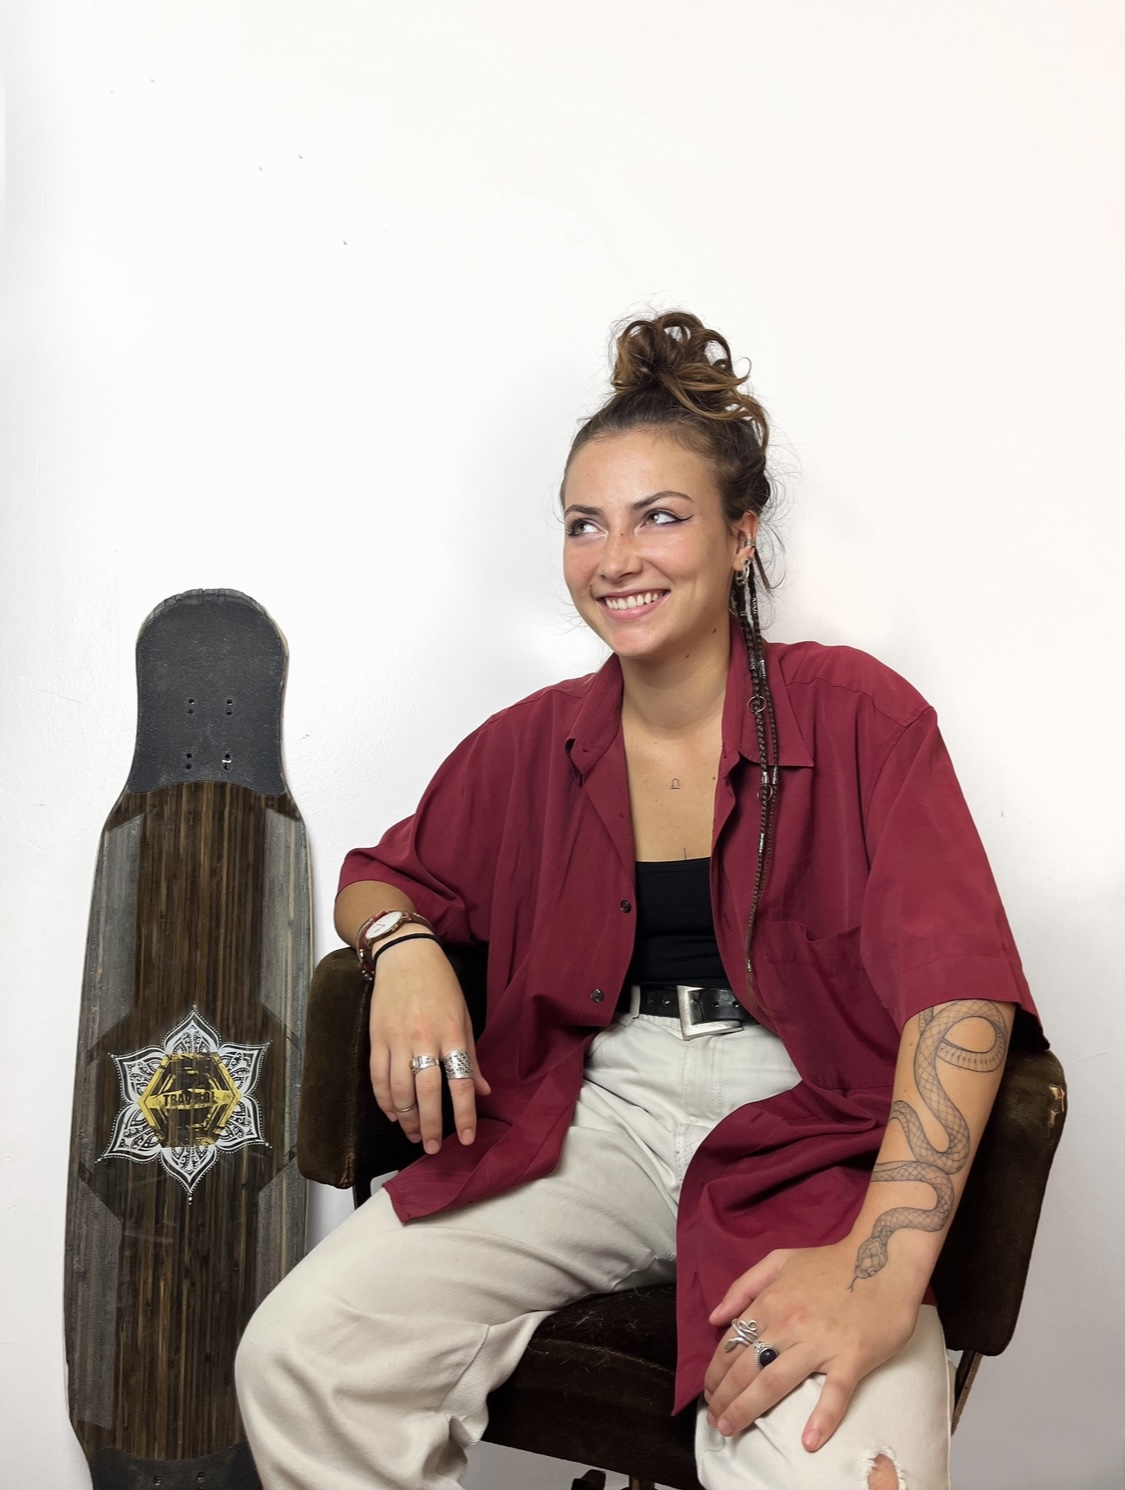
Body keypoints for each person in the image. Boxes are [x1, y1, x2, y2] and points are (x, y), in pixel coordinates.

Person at [236, 311, 1042, 1490]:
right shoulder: (530, 743)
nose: (616, 556)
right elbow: (383, 875)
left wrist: (881, 1268)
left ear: (740, 535)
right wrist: (404, 946)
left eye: (659, 515)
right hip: (588, 1111)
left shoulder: (862, 716)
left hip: (816, 1127)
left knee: (848, 1468)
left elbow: (961, 996)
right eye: (585, 523)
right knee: (302, 1357)